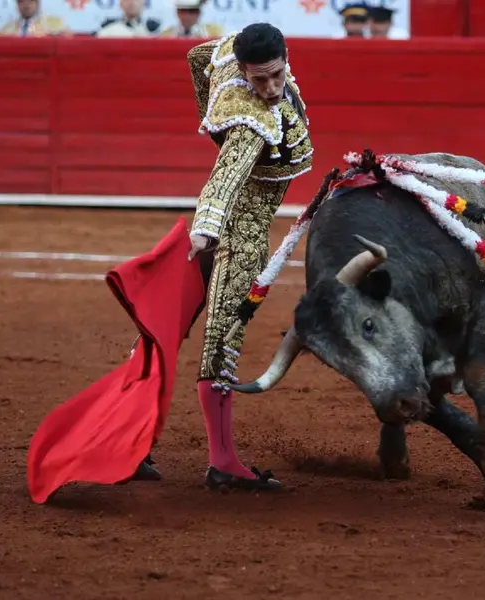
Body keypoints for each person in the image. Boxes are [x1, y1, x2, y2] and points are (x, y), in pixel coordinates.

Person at [134, 23, 314, 490]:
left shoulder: (227, 53)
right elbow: (224, 180)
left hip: (211, 238)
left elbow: (197, 56)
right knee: (221, 343)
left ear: (285, 55)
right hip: (237, 236)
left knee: (164, 331)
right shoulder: (251, 122)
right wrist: (207, 230)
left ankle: (130, 447)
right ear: (243, 72)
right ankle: (223, 463)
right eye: (259, 81)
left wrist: (208, 115)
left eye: (277, 76)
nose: (271, 90)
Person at [0, 0, 68, 36]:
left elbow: (67, 40)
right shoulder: (7, 29)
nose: (26, 5)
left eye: (30, 0)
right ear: (17, 5)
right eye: (21, 1)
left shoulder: (54, 23)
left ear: (37, 3)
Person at [95, 0, 160, 38]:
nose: (131, 3)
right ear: (120, 4)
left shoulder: (155, 31)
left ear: (144, 3)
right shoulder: (108, 31)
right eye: (127, 0)